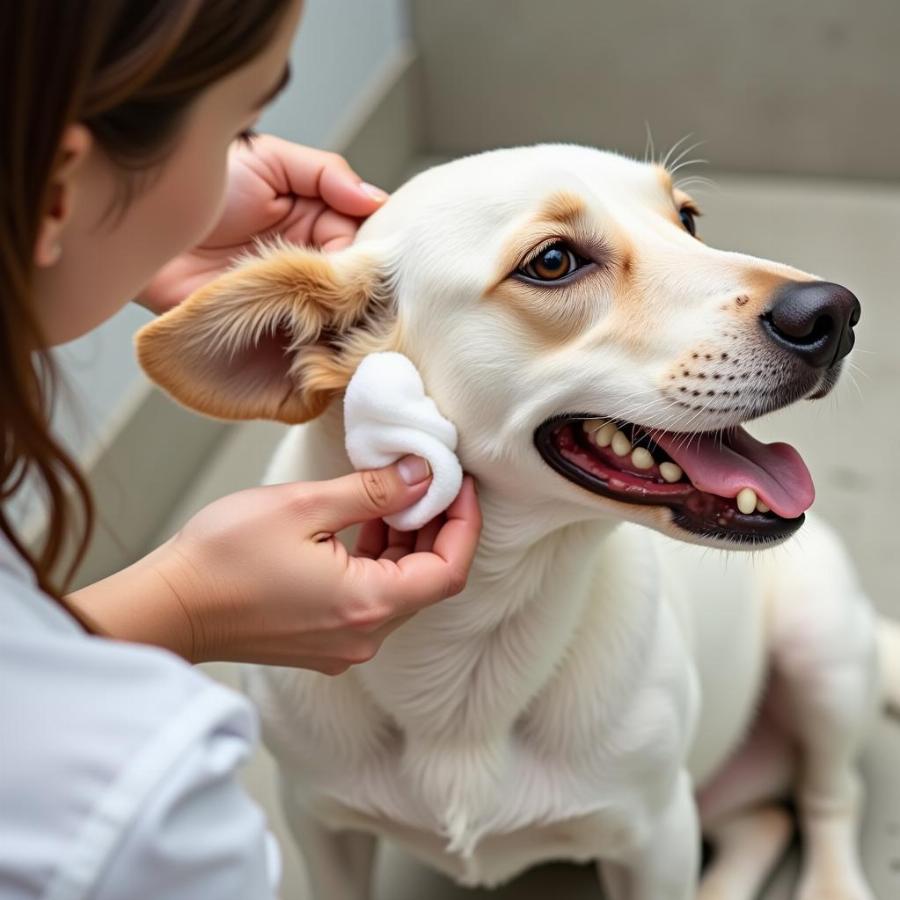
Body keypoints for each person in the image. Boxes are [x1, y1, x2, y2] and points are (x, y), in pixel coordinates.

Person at [0, 2, 482, 897]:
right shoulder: (133, 812)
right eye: (241, 124)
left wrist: (108, 226)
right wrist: (188, 607)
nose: (253, 161)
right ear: (61, 183)